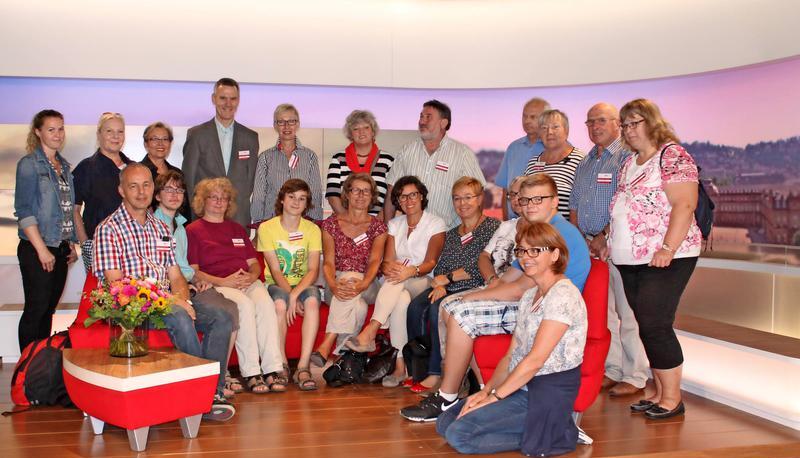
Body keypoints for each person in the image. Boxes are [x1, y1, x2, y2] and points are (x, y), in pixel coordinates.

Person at [400, 173, 590, 422]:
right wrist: (478, 294)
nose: (530, 205)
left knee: (460, 313)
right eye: (525, 200)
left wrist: (469, 300)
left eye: (538, 199)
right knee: (451, 306)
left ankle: (448, 396)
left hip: (547, 314)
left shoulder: (557, 232)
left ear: (555, 201)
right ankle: (475, 387)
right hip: (531, 302)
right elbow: (509, 278)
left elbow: (519, 289)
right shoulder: (538, 231)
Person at [93, 163, 235, 421]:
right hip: (134, 308)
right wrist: (173, 301)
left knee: (222, 315)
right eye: (133, 186)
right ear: (121, 190)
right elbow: (117, 287)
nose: (141, 192)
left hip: (169, 301)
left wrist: (181, 298)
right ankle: (198, 395)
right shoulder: (108, 229)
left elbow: (175, 274)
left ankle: (211, 393)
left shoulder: (160, 227)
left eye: (146, 185)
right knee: (179, 316)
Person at [436, 222, 587, 457]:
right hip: (520, 385)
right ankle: (542, 429)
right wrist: (486, 392)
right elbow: (512, 354)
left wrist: (495, 398)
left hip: (545, 392)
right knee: (445, 422)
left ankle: (558, 430)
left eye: (536, 250)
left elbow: (536, 360)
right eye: (522, 250)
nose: (526, 257)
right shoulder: (529, 296)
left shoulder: (564, 295)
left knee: (459, 434)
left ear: (555, 254)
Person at [610, 98, 701, 419]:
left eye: (635, 123)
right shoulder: (629, 161)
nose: (629, 130)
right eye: (624, 125)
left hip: (665, 257)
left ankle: (672, 398)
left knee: (656, 324)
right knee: (646, 325)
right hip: (630, 259)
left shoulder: (673, 155)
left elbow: (685, 205)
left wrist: (668, 248)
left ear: (652, 122)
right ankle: (659, 391)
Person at [570, 102, 647, 397]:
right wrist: (582, 239)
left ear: (617, 123)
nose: (595, 127)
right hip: (591, 247)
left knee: (628, 313)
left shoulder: (627, 158)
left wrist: (603, 236)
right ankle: (613, 369)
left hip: (619, 245)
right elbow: (574, 204)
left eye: (601, 120)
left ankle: (636, 374)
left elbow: (625, 205)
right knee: (604, 315)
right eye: (590, 122)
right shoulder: (587, 161)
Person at [400, 177, 501, 398]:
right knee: (415, 306)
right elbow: (440, 266)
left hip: (475, 287)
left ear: (480, 199)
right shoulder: (453, 233)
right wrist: (440, 282)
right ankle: (418, 369)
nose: (462, 203)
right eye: (457, 198)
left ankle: (438, 373)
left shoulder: (494, 227)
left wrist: (448, 281)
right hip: (447, 285)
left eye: (468, 197)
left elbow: (484, 265)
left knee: (437, 309)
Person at [186, 178, 286, 394]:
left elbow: (254, 264)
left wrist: (251, 277)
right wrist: (223, 282)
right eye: (214, 197)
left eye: (224, 198)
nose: (219, 202)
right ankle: (251, 371)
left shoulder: (237, 229)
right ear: (203, 201)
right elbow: (193, 270)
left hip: (246, 281)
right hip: (219, 283)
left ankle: (272, 369)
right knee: (244, 306)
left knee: (265, 303)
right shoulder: (193, 230)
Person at [346, 176, 447, 387]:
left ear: (422, 197)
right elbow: (387, 260)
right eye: (403, 196)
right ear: (398, 201)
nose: (409, 200)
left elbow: (431, 261)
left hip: (422, 278)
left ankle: (372, 329)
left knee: (396, 283)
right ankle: (401, 368)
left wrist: (410, 271)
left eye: (413, 195)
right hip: (396, 281)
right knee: (400, 300)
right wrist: (390, 267)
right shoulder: (394, 224)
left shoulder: (436, 223)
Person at [152, 170, 241, 399]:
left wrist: (196, 279)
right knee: (192, 314)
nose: (174, 195)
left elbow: (181, 265)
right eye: (168, 190)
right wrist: (186, 286)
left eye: (179, 190)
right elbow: (160, 269)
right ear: (158, 196)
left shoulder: (179, 227)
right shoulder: (151, 225)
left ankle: (215, 389)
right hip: (160, 295)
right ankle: (204, 388)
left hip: (184, 286)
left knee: (223, 316)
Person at [14, 109, 78, 351]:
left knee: (48, 310)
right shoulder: (29, 164)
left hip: (59, 249)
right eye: (51, 129)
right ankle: (26, 369)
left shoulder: (64, 166)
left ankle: (39, 363)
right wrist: (42, 250)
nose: (57, 134)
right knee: (36, 309)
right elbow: (24, 211)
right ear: (38, 132)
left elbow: (65, 209)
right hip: (37, 249)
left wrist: (70, 243)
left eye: (60, 128)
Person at [312, 174, 388, 364]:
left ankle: (326, 343)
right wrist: (333, 285)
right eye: (356, 190)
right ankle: (343, 355)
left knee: (353, 277)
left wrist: (363, 283)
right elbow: (328, 262)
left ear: (372, 197)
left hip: (369, 284)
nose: (361, 195)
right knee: (359, 306)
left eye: (366, 191)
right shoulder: (330, 224)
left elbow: (375, 261)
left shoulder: (379, 227)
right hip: (336, 285)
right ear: (347, 194)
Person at [257, 179, 322, 391]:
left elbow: (313, 270)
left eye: (302, 198)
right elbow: (275, 270)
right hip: (276, 283)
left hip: (304, 284)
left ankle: (303, 366)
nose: (296, 202)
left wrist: (296, 294)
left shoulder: (312, 229)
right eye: (292, 197)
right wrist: (290, 294)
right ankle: (281, 364)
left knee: (312, 301)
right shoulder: (266, 228)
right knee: (279, 305)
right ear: (282, 200)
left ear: (307, 204)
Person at [384, 100, 485, 227]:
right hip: (410, 234)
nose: (422, 121)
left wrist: (472, 231)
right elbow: (391, 191)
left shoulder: (462, 153)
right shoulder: (407, 151)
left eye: (428, 117)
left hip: (448, 235)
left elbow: (479, 193)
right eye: (421, 117)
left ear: (443, 123)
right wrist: (387, 229)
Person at [182, 77, 259, 227]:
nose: (228, 104)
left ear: (238, 101)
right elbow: (188, 180)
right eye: (223, 98)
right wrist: (196, 213)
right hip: (204, 218)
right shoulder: (196, 134)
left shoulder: (250, 138)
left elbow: (250, 183)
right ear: (214, 99)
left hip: (239, 218)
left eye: (233, 99)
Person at [73, 112, 133, 272]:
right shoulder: (86, 168)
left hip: (133, 247)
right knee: (103, 296)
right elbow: (74, 210)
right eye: (109, 131)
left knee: (134, 295)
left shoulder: (134, 168)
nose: (115, 136)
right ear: (99, 134)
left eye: (120, 131)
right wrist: (86, 243)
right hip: (99, 247)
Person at [251, 104, 323, 223]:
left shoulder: (310, 156)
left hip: (303, 222)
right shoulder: (265, 157)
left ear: (298, 124)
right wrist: (259, 224)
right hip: (272, 221)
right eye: (281, 122)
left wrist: (315, 222)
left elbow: (315, 194)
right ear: (275, 125)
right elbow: (259, 195)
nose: (286, 126)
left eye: (291, 121)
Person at [326, 110, 394, 218]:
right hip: (344, 222)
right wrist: (349, 222)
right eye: (356, 129)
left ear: (373, 131)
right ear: (350, 134)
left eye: (366, 127)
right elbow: (332, 194)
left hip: (376, 222)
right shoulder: (338, 158)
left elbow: (390, 198)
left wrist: (376, 224)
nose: (361, 132)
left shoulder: (388, 160)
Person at [495, 98, 549, 220]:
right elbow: (505, 191)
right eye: (525, 116)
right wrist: (505, 223)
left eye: (533, 117)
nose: (527, 121)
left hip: (542, 225)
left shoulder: (554, 147)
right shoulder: (513, 147)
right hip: (513, 224)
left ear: (545, 119)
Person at [524, 109, 584, 219]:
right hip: (534, 232)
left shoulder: (581, 160)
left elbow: (584, 203)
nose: (549, 132)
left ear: (566, 131)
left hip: (565, 233)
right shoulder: (532, 163)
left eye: (555, 127)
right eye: (544, 128)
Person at [141, 121, 190, 219]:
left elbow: (185, 208)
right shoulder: (138, 172)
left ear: (170, 143)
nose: (160, 143)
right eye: (155, 139)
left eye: (165, 139)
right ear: (146, 144)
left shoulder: (177, 173)